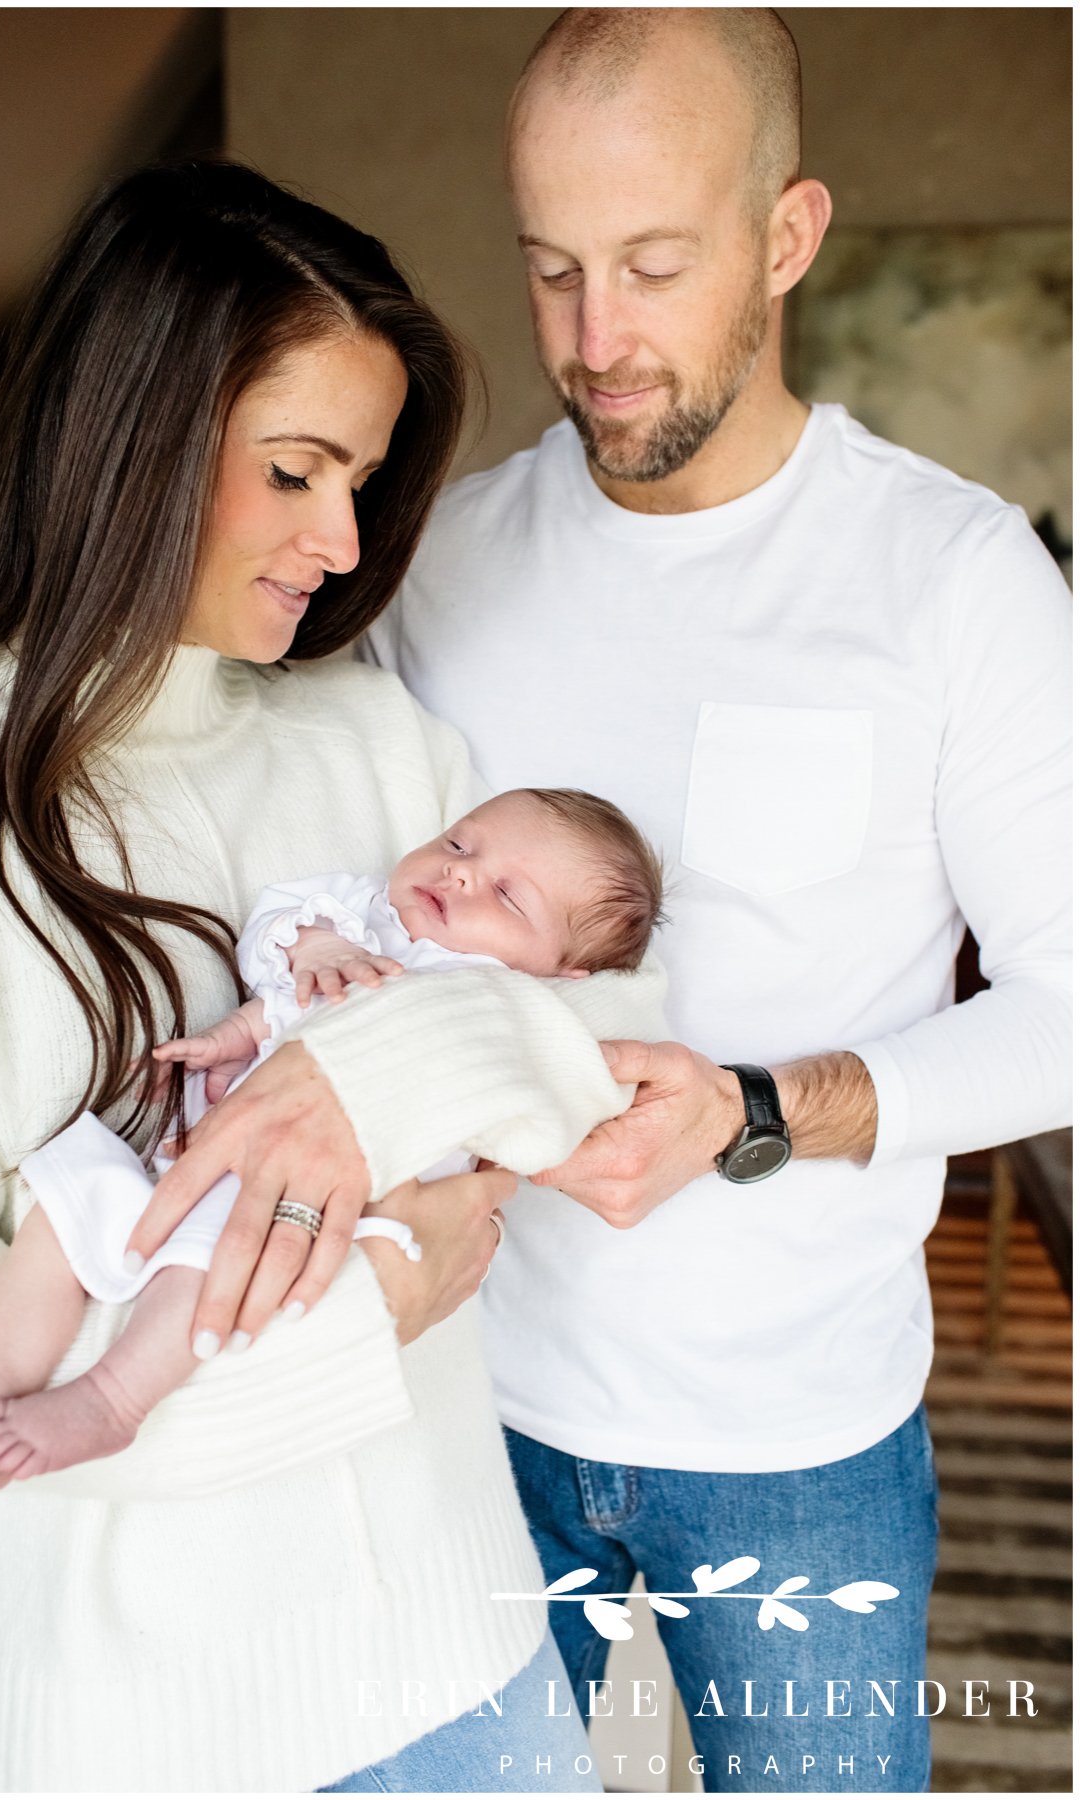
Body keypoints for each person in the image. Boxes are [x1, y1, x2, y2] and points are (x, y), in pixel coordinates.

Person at [354, 11, 1072, 1791]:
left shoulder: (957, 579)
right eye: (554, 270)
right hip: (465, 1410)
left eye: (656, 268)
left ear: (786, 236)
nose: (598, 343)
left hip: (801, 1444)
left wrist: (756, 1107)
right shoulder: (439, 562)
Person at [0, 160, 667, 1793]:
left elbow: (610, 1034)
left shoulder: (384, 751)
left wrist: (362, 1082)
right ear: (134, 432)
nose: (345, 540)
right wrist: (375, 1302)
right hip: (128, 1734)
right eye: (299, 471)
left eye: (365, 482)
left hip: (467, 1658)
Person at [0, 788, 664, 1511]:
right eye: (458, 842)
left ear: (566, 970)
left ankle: (114, 1397)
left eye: (506, 897)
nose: (461, 871)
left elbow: (561, 1082)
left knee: (207, 1262)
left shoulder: (507, 997)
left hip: (319, 1205)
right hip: (193, 1159)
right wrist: (277, 990)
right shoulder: (365, 919)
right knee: (59, 1215)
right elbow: (279, 981)